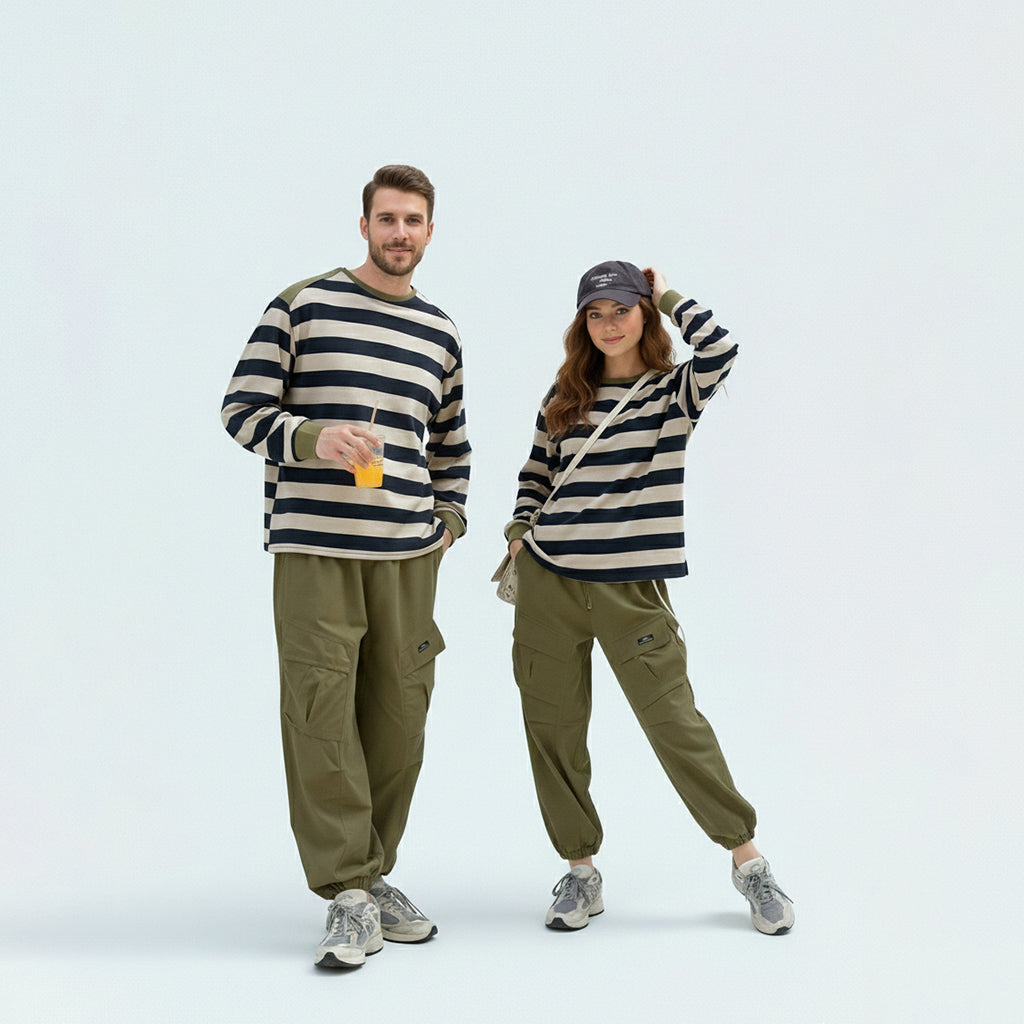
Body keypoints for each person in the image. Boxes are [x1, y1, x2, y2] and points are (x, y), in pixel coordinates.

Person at [221, 165, 470, 967]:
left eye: (415, 220)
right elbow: (241, 409)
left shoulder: (440, 332)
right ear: (363, 224)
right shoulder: (302, 304)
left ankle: (372, 872)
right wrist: (311, 438)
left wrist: (452, 519)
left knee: (401, 722)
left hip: (406, 556)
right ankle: (348, 894)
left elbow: (452, 443)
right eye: (387, 218)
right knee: (322, 716)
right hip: (316, 549)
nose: (400, 232)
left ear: (431, 232)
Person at [505, 260, 793, 935]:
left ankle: (748, 862)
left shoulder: (674, 393)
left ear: (644, 315)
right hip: (549, 581)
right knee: (553, 730)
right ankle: (580, 872)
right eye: (595, 314)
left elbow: (721, 347)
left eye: (623, 309)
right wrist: (521, 531)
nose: (608, 324)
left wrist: (665, 289)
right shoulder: (563, 394)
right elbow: (535, 472)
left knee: (675, 725)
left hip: (630, 589)